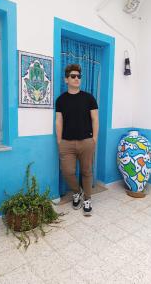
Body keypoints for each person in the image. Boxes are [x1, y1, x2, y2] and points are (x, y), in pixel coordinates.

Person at [55, 64, 99, 216]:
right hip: (66, 143)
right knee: (67, 171)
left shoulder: (89, 98)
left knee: (87, 171)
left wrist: (94, 139)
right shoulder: (60, 100)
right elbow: (58, 121)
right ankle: (76, 192)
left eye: (79, 76)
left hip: (86, 141)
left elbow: (95, 119)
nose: (76, 79)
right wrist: (59, 141)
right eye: (73, 76)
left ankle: (87, 199)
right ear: (66, 79)